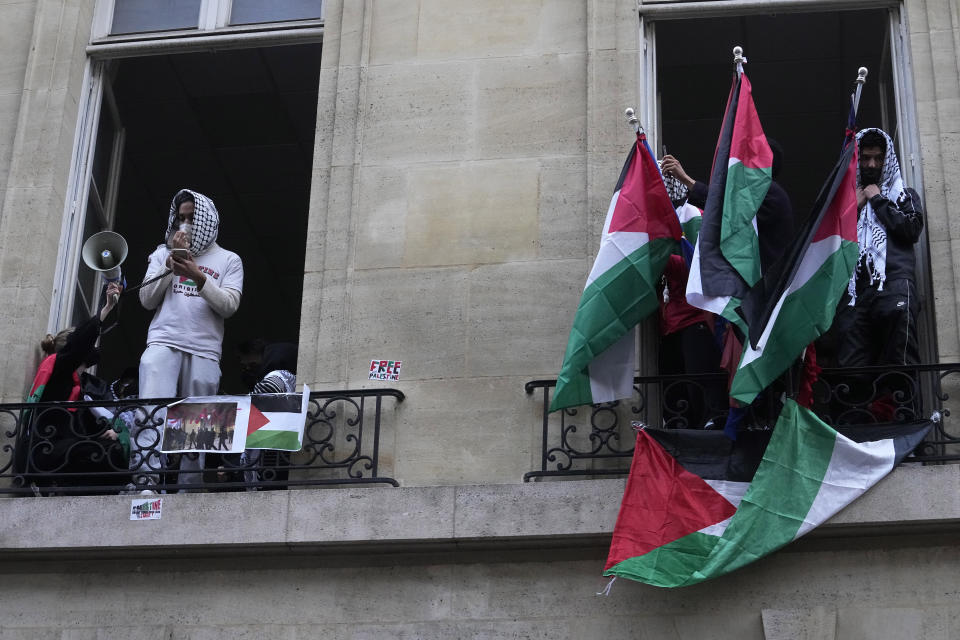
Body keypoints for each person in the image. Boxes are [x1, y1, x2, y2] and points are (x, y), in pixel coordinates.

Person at [134, 188, 244, 490]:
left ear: (206, 219)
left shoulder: (228, 260)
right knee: (151, 412)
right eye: (180, 218)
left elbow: (229, 305)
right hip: (163, 341)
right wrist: (169, 265)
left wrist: (198, 276)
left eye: (191, 218)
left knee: (197, 426)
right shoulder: (160, 253)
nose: (184, 225)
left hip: (205, 350)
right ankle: (145, 480)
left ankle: (190, 488)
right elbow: (146, 299)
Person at [19, 283, 129, 493]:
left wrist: (112, 433)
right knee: (101, 453)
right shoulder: (58, 372)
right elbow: (80, 346)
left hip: (65, 450)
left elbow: (92, 354)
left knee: (111, 452)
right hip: (47, 450)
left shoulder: (80, 385)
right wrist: (104, 311)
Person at [836, 127, 924, 369]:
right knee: (853, 369)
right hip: (855, 293)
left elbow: (912, 229)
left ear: (887, 160)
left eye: (878, 158)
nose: (872, 164)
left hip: (894, 286)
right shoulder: (845, 203)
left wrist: (877, 200)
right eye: (865, 158)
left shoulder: (903, 195)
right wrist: (852, 208)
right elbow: (830, 240)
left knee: (900, 362)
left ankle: (904, 408)